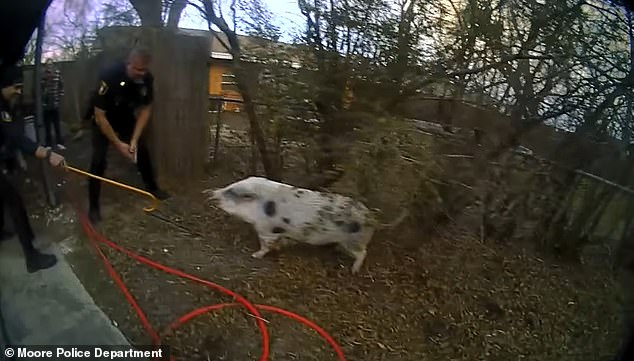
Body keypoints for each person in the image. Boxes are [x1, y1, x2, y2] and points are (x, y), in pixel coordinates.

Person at [88, 47, 169, 224]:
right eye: (137, 69)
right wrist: (118, 144)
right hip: (103, 116)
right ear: (128, 64)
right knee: (98, 160)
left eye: (144, 69)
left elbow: (146, 109)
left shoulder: (147, 78)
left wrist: (133, 140)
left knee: (142, 149)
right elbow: (100, 116)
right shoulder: (109, 76)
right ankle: (93, 207)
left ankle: (153, 188)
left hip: (124, 114)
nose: (141, 73)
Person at [0, 64, 66, 273]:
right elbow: (17, 138)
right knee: (16, 204)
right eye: (16, 87)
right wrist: (47, 153)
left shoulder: (8, 104)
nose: (19, 92)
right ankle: (32, 258)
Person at [41, 58, 65, 149]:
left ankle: (60, 143)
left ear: (53, 65)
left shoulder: (57, 73)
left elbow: (61, 85)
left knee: (56, 124)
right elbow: (40, 88)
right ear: (46, 66)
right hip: (46, 103)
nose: (49, 66)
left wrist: (59, 97)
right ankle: (48, 144)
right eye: (48, 64)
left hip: (55, 102)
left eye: (51, 64)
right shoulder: (43, 74)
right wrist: (42, 100)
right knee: (47, 125)